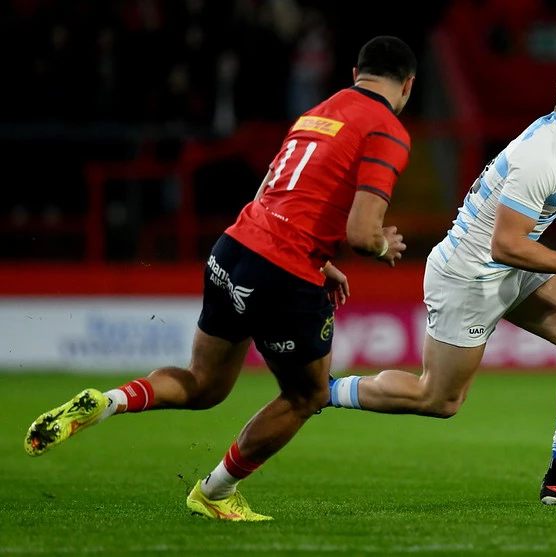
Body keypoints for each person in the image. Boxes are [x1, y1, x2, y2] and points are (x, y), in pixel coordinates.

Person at [23, 35, 417, 521]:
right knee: (307, 394)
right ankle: (214, 492)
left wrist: (321, 256)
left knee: (203, 384)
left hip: (236, 246)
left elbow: (276, 190)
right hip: (283, 271)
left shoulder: (319, 112)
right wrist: (382, 245)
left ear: (356, 75)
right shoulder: (389, 130)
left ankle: (107, 402)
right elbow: (362, 233)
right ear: (408, 86)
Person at [328, 60, 556, 506]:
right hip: (469, 276)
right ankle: (323, 390)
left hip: (515, 264)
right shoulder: (541, 158)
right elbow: (505, 246)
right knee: (438, 399)